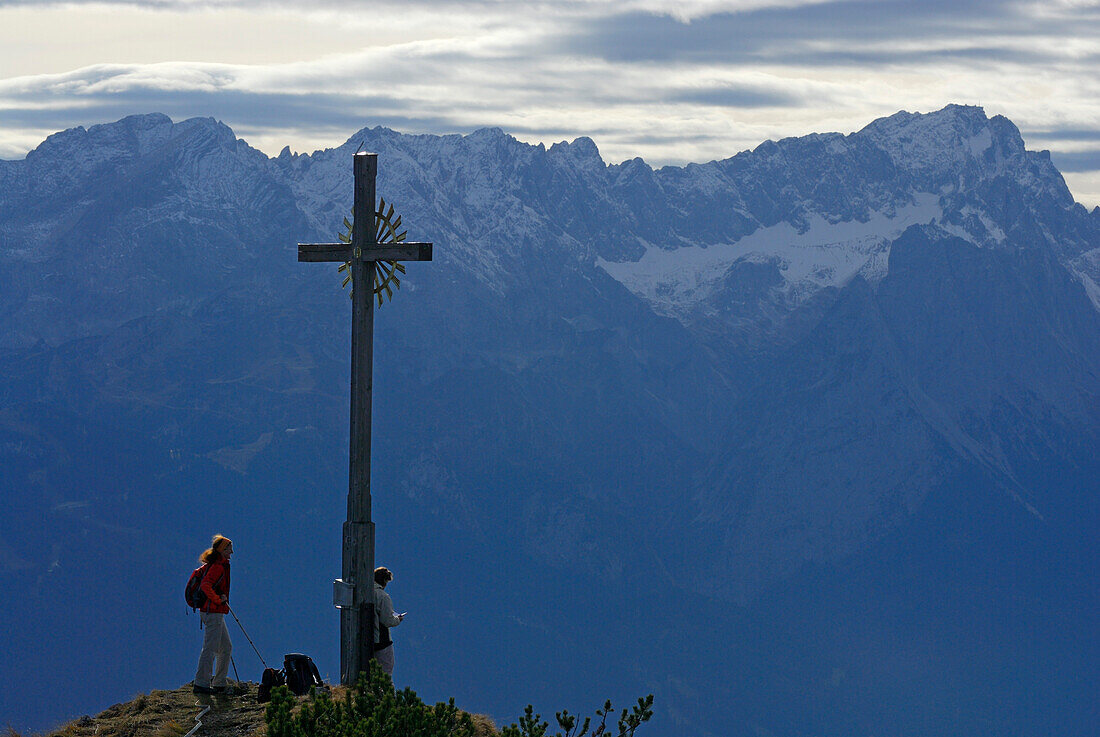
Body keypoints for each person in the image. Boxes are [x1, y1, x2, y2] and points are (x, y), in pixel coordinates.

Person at [193, 535, 234, 695]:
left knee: (225, 647)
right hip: (213, 612)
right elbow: (205, 585)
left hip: (212, 612)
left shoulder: (218, 564)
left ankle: (218, 683)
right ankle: (202, 683)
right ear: (223, 550)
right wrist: (218, 599)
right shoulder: (217, 567)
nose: (232, 552)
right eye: (230, 548)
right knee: (210, 648)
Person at [373, 566, 405, 677]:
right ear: (385, 581)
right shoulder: (383, 597)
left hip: (368, 641)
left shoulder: (365, 592)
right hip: (382, 642)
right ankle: (386, 694)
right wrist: (398, 619)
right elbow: (387, 621)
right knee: (386, 674)